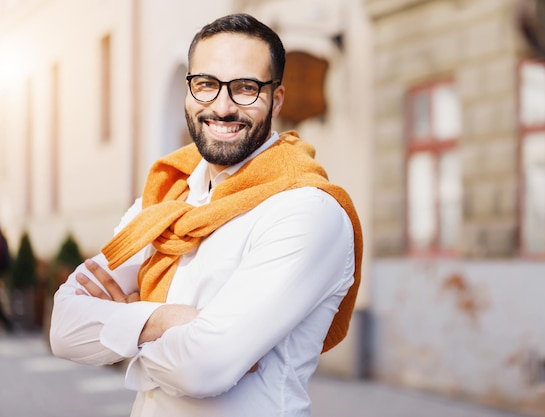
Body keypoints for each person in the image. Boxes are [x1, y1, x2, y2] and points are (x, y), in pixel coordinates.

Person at [49, 13, 362, 417]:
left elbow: (203, 369)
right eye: (206, 85)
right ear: (189, 90)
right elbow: (64, 328)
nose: (222, 106)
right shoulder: (166, 200)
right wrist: (166, 320)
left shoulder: (305, 210)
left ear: (277, 99)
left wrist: (124, 326)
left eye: (246, 88)